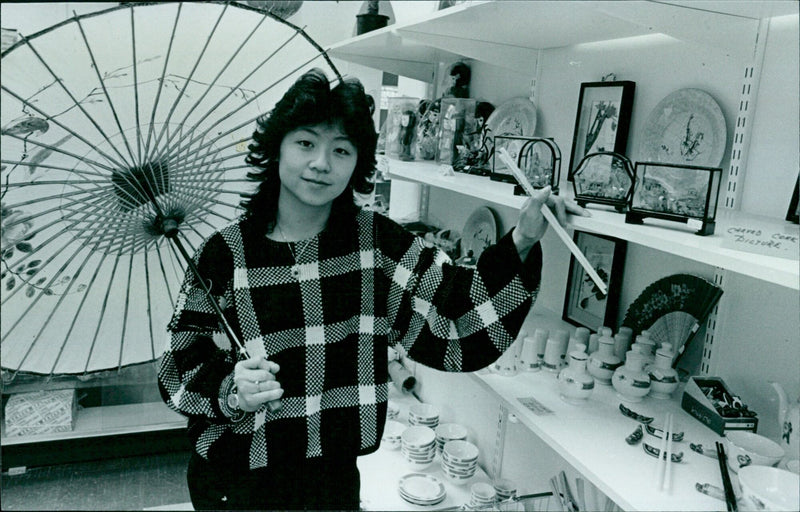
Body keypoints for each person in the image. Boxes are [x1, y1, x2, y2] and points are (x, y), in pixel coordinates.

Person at [158, 68, 586, 510]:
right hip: (236, 479)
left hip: (330, 480)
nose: (322, 163)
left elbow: (456, 320)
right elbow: (177, 366)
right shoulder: (224, 253)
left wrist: (523, 239)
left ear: (358, 163)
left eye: (341, 150)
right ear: (278, 147)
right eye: (305, 143)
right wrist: (232, 388)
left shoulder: (376, 244)